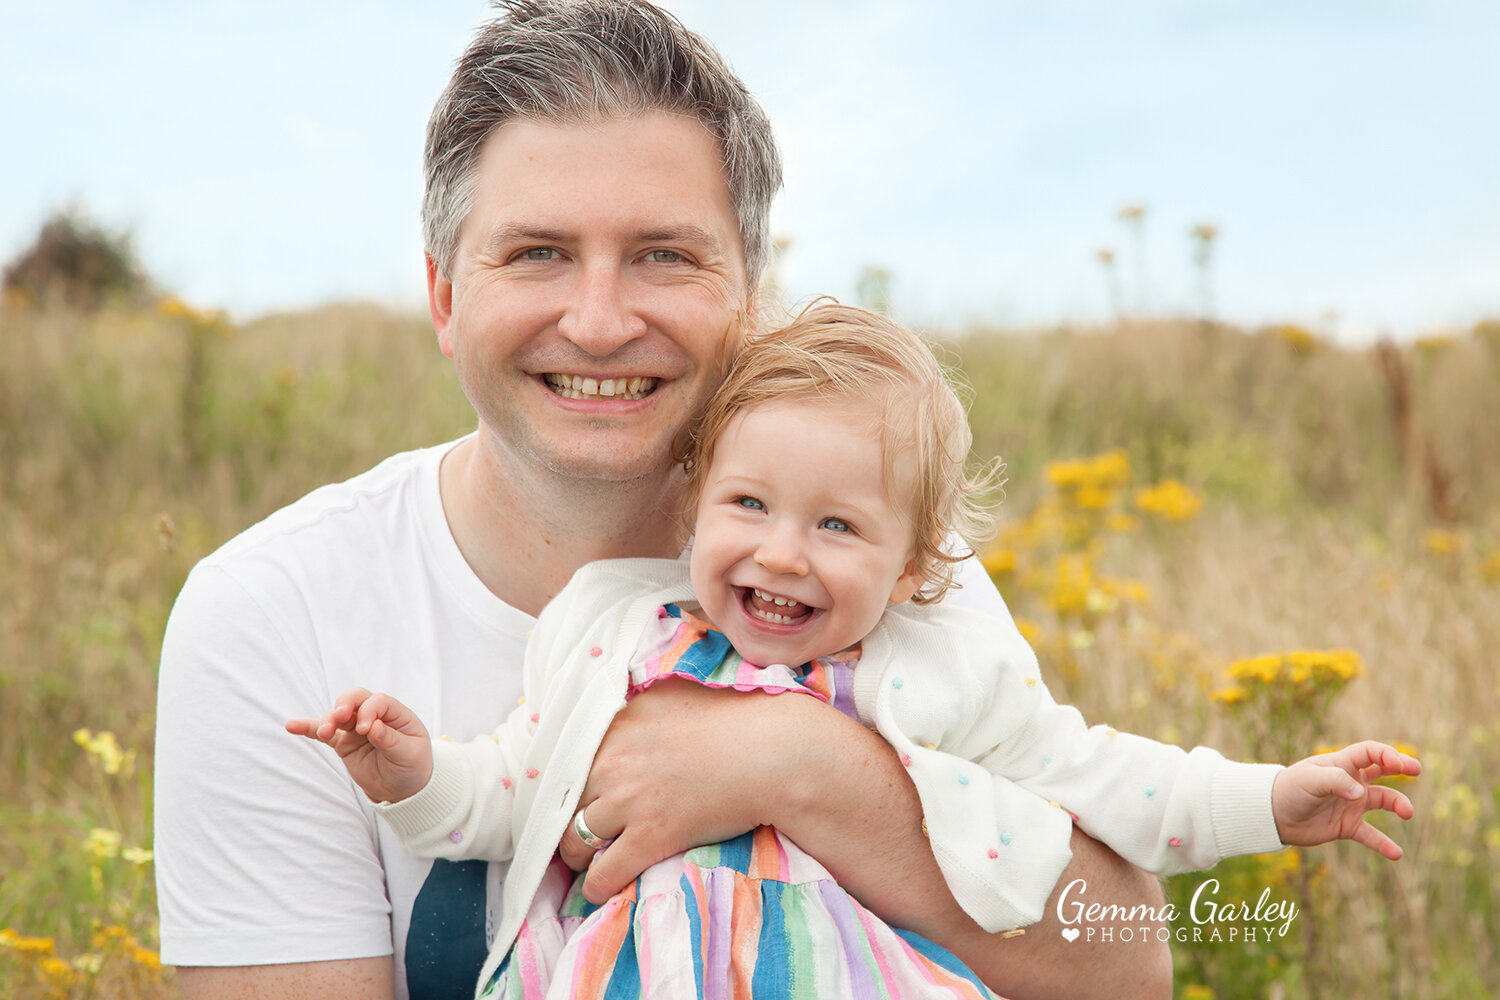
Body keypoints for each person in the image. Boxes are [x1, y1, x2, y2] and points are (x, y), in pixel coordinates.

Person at [155, 3, 1174, 999]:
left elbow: (1124, 966)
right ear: (446, 297)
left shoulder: (869, 566)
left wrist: (795, 763)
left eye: (665, 255)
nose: (599, 323)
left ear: (751, 297)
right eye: (537, 252)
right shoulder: (270, 616)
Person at [288, 303, 1420, 1000]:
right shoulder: (615, 636)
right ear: (692, 511)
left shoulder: (932, 667)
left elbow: (1108, 776)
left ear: (917, 563)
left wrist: (1273, 799)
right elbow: (504, 792)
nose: (783, 554)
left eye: (837, 526)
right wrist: (413, 768)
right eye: (749, 504)